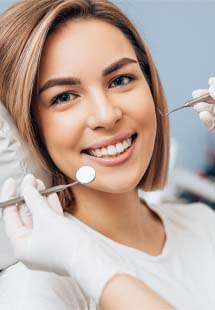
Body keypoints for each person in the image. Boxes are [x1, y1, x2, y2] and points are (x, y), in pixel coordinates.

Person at [0, 0, 214, 309]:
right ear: (27, 127)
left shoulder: (202, 223)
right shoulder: (38, 286)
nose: (107, 115)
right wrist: (82, 259)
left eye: (120, 80)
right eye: (63, 97)